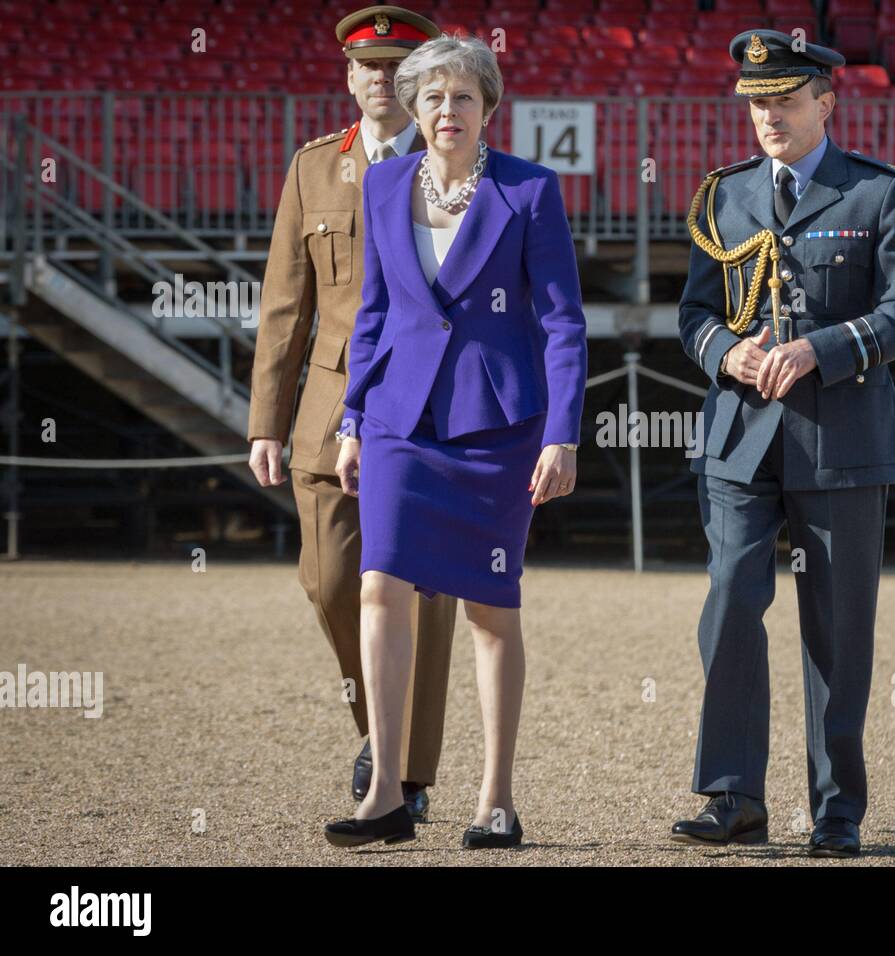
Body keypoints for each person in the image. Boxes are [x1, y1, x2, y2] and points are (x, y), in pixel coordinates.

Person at [672, 29, 895, 858]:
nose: (767, 116)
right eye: (755, 102)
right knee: (728, 605)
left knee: (837, 630)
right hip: (739, 439)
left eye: (783, 100)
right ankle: (732, 795)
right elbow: (693, 316)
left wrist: (818, 350)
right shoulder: (723, 196)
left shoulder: (876, 193)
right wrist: (730, 351)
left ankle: (836, 811)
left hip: (844, 438)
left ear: (827, 102)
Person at [323, 33, 587, 850]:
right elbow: (373, 312)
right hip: (401, 420)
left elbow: (562, 323)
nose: (447, 111)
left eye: (463, 96)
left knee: (489, 612)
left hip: (496, 430)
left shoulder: (530, 191)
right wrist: (353, 418)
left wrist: (563, 435)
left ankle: (494, 800)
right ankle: (387, 797)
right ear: (412, 106)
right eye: (433, 97)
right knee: (378, 589)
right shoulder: (383, 183)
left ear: (487, 107)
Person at [245, 4, 453, 824]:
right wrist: (267, 418)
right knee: (332, 581)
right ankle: (383, 729)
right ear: (348, 77)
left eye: (397, 68)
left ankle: (408, 769)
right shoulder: (312, 170)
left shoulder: (461, 165)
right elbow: (284, 306)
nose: (380, 81)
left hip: (432, 408)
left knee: (424, 591)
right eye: (367, 68)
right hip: (331, 412)